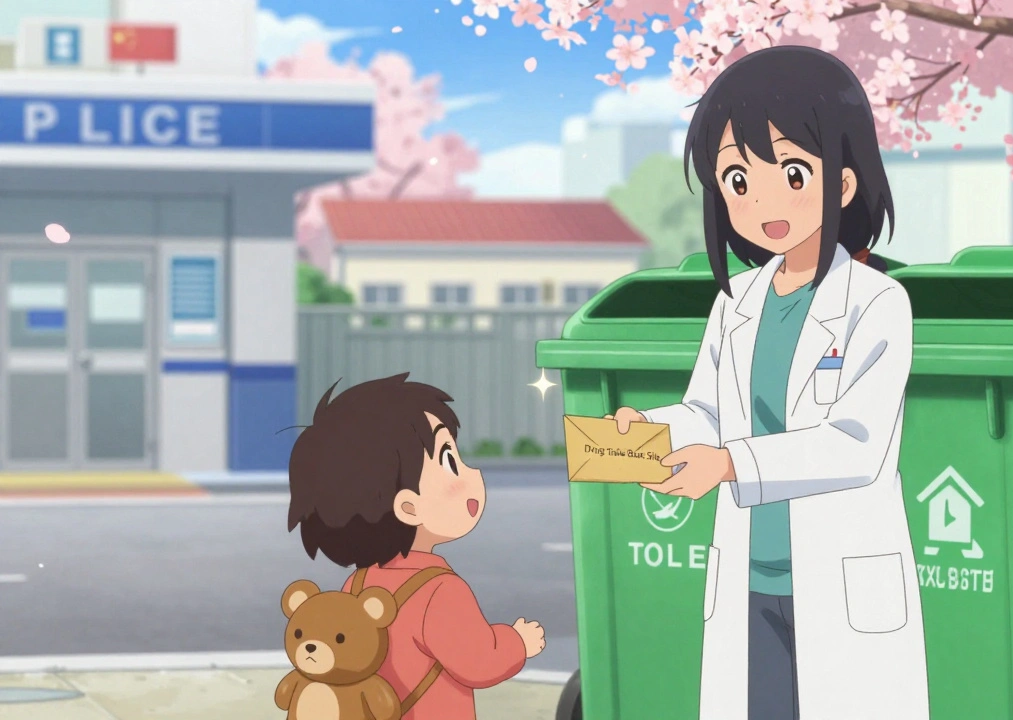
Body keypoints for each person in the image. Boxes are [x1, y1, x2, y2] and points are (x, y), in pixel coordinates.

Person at [608, 46, 929, 720]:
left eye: (790, 170)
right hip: (750, 574)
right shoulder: (736, 303)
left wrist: (726, 464)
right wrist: (653, 432)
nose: (763, 201)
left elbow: (853, 444)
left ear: (842, 182)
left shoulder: (877, 303)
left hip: (839, 577)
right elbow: (706, 407)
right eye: (736, 179)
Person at [287, 373, 545, 720]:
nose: (472, 473)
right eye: (450, 462)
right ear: (408, 507)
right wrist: (518, 642)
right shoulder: (440, 592)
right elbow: (478, 662)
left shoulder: (359, 584)